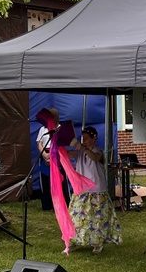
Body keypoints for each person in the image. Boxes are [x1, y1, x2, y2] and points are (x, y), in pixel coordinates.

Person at [66, 126, 122, 254]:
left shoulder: (99, 151)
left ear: (94, 138)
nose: (84, 141)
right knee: (76, 217)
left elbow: (95, 158)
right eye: (83, 139)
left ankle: (97, 243)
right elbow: (68, 154)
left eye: (87, 139)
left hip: (97, 191)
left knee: (97, 219)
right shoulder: (79, 152)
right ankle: (73, 241)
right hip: (81, 191)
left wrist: (83, 148)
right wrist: (57, 148)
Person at [36, 108, 71, 211]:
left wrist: (52, 157)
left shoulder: (59, 129)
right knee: (45, 180)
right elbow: (39, 142)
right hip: (45, 155)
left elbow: (60, 146)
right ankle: (47, 205)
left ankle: (63, 203)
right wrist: (44, 154)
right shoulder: (43, 129)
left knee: (60, 180)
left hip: (57, 155)